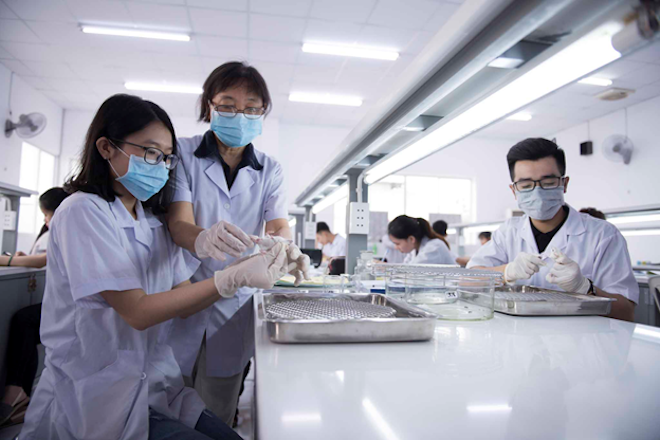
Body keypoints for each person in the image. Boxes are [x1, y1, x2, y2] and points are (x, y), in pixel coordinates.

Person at [19, 94, 288, 440]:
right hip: (94, 397)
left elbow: (184, 303)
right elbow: (138, 311)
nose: (160, 165)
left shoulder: (152, 223)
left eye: (166, 157)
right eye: (150, 152)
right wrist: (229, 279)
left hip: (155, 389)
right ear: (106, 147)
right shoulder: (82, 211)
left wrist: (250, 263)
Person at [166, 61, 309, 426]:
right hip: (182, 286)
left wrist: (283, 246)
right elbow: (179, 223)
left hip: (235, 299)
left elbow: (278, 224)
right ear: (210, 105)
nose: (239, 116)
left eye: (251, 108)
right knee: (169, 401)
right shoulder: (182, 153)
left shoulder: (270, 168)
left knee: (217, 409)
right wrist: (203, 238)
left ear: (263, 112)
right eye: (228, 106)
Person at [468, 138, 638, 321]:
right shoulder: (509, 231)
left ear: (564, 184)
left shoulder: (603, 235)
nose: (537, 192)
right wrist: (506, 272)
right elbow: (468, 280)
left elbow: (626, 312)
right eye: (526, 185)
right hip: (517, 336)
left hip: (582, 336)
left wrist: (585, 288)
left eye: (548, 182)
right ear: (514, 190)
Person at [0, 188, 69, 426]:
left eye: (47, 215)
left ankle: (17, 392)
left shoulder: (67, 226)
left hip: (70, 307)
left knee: (25, 321)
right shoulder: (51, 231)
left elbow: (43, 260)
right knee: (26, 325)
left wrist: (7, 260)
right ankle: (19, 393)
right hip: (59, 301)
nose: (45, 220)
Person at [388, 215, 455, 265]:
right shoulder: (414, 250)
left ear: (411, 239)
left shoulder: (434, 247)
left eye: (397, 244)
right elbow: (404, 267)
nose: (396, 247)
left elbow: (411, 271)